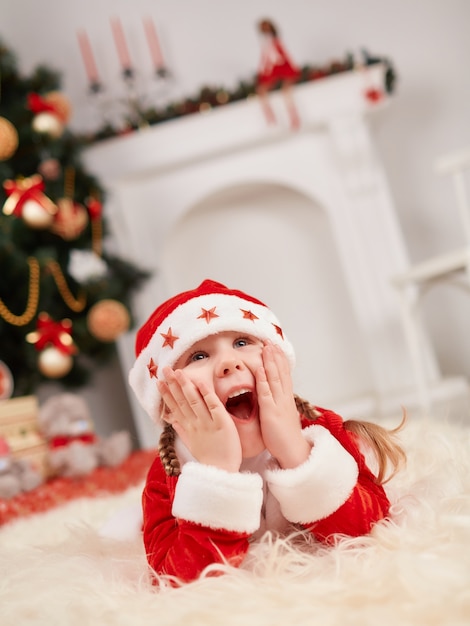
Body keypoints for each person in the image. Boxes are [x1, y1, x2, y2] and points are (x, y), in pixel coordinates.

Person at [129, 279, 406, 583]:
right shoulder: (169, 473)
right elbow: (173, 582)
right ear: (169, 405)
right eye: (198, 356)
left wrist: (296, 453)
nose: (229, 363)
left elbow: (371, 529)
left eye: (242, 342)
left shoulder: (316, 429)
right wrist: (216, 473)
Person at [256, 18, 301, 129]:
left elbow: (280, 57)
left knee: (286, 92)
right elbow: (265, 60)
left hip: (282, 69)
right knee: (262, 91)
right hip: (272, 71)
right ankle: (271, 120)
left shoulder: (276, 42)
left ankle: (294, 118)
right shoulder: (265, 44)